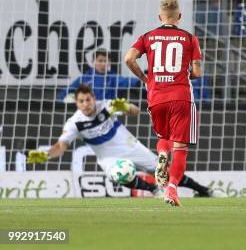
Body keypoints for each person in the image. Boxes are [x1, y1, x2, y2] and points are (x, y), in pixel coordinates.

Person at [27, 83, 214, 197]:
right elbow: (61, 146)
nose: (86, 104)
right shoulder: (75, 123)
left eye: (88, 100)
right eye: (81, 101)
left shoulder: (107, 106)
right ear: (77, 103)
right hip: (109, 158)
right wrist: (46, 155)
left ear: (94, 98)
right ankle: (153, 189)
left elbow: (136, 111)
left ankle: (204, 191)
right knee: (119, 174)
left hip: (131, 147)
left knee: (163, 170)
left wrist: (125, 106)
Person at [124, 0, 203, 206]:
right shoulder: (189, 38)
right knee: (180, 147)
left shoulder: (148, 37)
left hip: (156, 97)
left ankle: (161, 154)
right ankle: (172, 189)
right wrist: (183, 74)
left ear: (160, 17)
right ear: (179, 17)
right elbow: (197, 71)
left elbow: (128, 59)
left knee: (164, 137)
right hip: (181, 97)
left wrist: (144, 77)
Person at [57, 48, 141, 102]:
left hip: (108, 113)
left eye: (106, 61)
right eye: (100, 61)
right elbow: (66, 91)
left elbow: (128, 81)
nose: (103, 64)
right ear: (93, 62)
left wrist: (141, 81)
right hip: (89, 112)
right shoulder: (85, 78)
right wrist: (62, 101)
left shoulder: (113, 77)